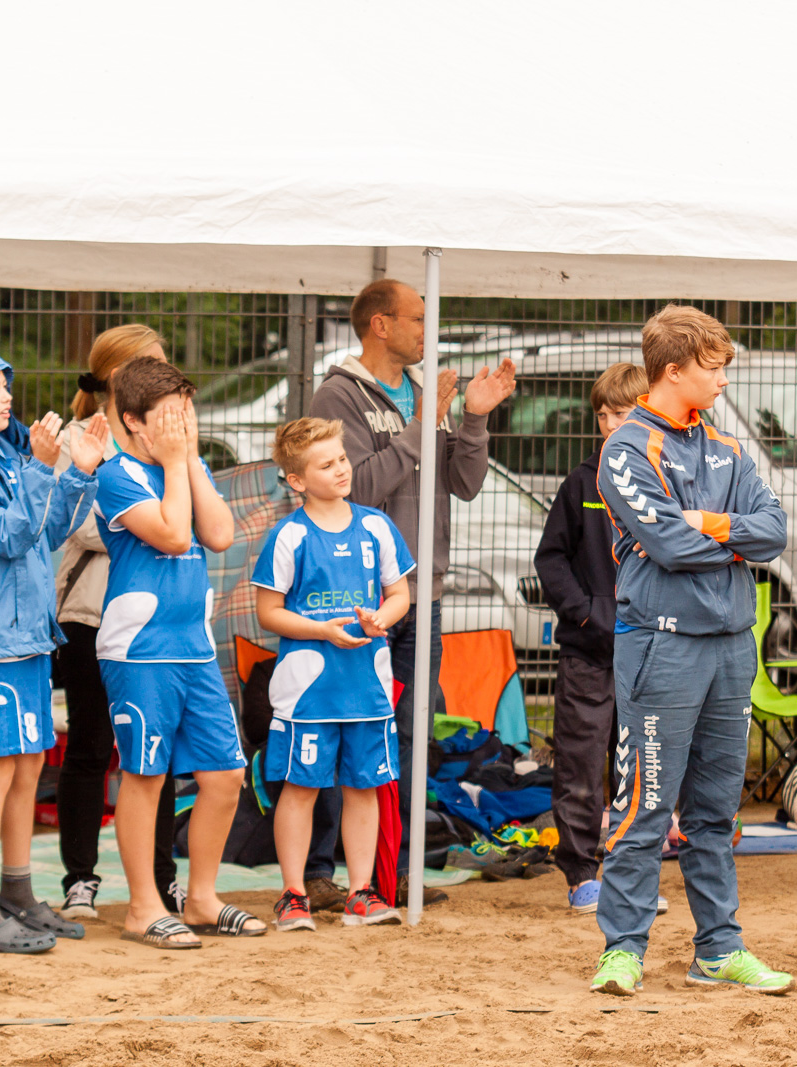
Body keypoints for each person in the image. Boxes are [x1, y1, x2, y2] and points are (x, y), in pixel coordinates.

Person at [589, 305, 791, 998]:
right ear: (673, 371)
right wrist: (725, 535)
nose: (723, 382)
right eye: (714, 368)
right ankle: (622, 948)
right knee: (646, 803)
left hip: (732, 646)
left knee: (715, 812)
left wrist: (706, 521)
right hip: (661, 647)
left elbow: (775, 531)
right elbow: (669, 547)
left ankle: (719, 948)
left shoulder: (729, 449)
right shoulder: (625, 448)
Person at [307, 278, 516, 904]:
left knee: (407, 734)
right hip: (355, 595)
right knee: (341, 728)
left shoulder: (425, 394)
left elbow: (464, 479)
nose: (429, 330)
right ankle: (319, 872)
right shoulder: (337, 395)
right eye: (418, 318)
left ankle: (391, 873)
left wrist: (472, 417)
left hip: (421, 591)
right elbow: (356, 488)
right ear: (379, 324)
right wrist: (421, 428)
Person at [0, 345, 106, 952]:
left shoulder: (6, 457)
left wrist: (79, 472)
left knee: (29, 765)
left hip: (31, 632)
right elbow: (7, 536)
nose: (8, 398)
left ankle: (17, 893)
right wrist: (39, 465)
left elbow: (46, 532)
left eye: (7, 387)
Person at [96, 356, 260, 948]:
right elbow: (172, 534)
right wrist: (172, 464)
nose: (183, 425)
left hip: (192, 646)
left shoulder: (184, 466)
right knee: (145, 774)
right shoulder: (117, 474)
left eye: (187, 413)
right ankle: (143, 906)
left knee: (225, 775)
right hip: (139, 648)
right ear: (135, 421)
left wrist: (186, 460)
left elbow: (218, 534)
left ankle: (202, 897)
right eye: (170, 417)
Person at [252, 417, 414, 931]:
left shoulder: (375, 526)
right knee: (301, 789)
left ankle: (362, 892)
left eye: (341, 458)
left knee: (363, 787)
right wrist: (323, 630)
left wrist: (378, 621)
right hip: (308, 692)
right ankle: (294, 895)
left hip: (368, 686)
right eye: (326, 464)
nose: (341, 469)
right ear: (296, 480)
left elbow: (400, 596)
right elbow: (268, 611)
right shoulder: (289, 535)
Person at [52, 325, 185, 922]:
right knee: (89, 747)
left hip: (156, 622)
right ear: (116, 377)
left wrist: (147, 517)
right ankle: (80, 876)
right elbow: (72, 524)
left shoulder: (168, 442)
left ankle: (161, 879)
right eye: (151, 367)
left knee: (153, 755)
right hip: (90, 615)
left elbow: (186, 525)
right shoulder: (76, 438)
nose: (166, 379)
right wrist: (145, 519)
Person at [533, 361, 654, 913]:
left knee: (641, 765)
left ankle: (631, 880)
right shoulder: (581, 482)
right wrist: (584, 614)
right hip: (588, 653)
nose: (609, 424)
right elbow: (550, 558)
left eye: (622, 414)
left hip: (652, 652)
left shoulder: (667, 482)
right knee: (580, 764)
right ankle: (583, 874)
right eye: (602, 415)